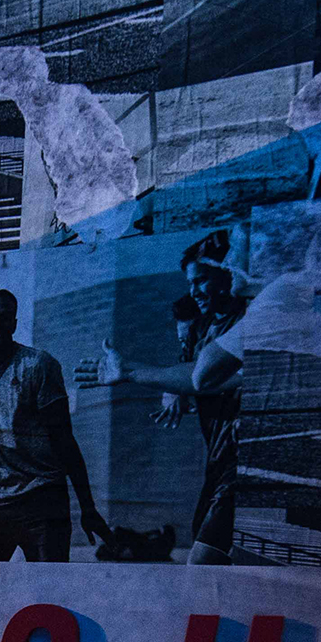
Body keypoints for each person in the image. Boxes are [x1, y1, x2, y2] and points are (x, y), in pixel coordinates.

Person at [92, 235, 248, 564]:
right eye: (190, 283)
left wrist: (132, 371)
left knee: (203, 560)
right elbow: (188, 373)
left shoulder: (249, 319)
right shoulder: (201, 329)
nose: (194, 291)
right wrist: (174, 388)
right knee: (212, 555)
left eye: (201, 280)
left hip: (244, 459)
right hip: (218, 462)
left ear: (228, 274)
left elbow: (207, 377)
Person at [0, 289, 109, 561]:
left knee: (46, 584)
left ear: (14, 324)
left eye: (6, 317)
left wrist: (87, 506)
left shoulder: (37, 365)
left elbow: (64, 440)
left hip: (42, 497)